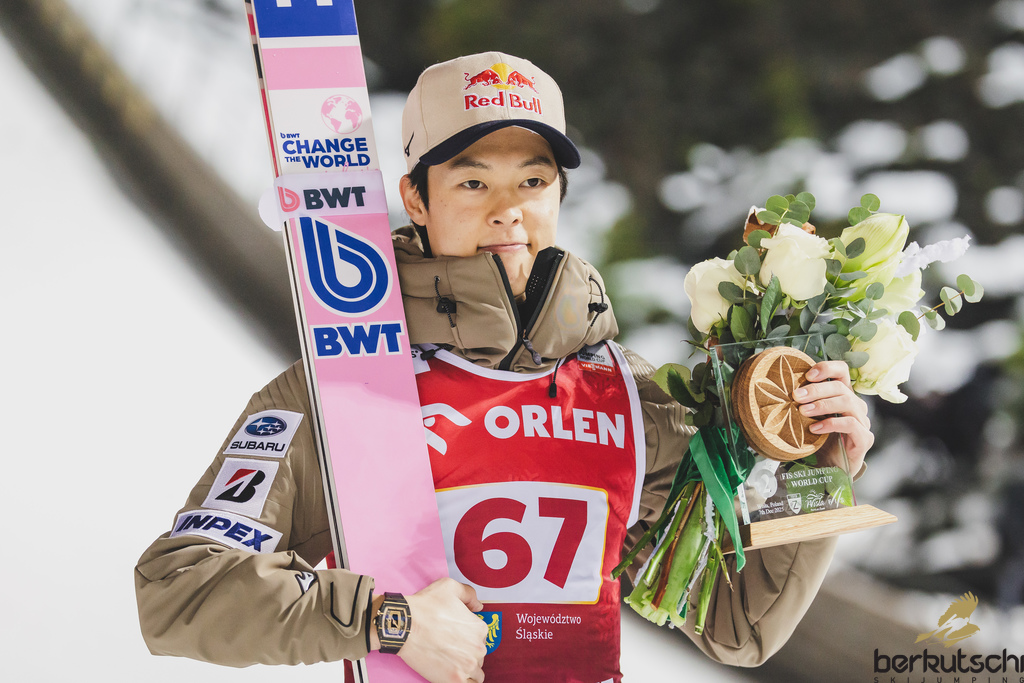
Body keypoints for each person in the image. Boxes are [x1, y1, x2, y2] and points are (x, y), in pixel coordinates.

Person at [134, 52, 873, 683]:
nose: (507, 210)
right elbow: (177, 590)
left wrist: (819, 471)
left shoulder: (632, 395)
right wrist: (386, 621)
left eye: (532, 181)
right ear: (416, 197)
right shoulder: (346, 383)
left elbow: (738, 624)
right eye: (472, 181)